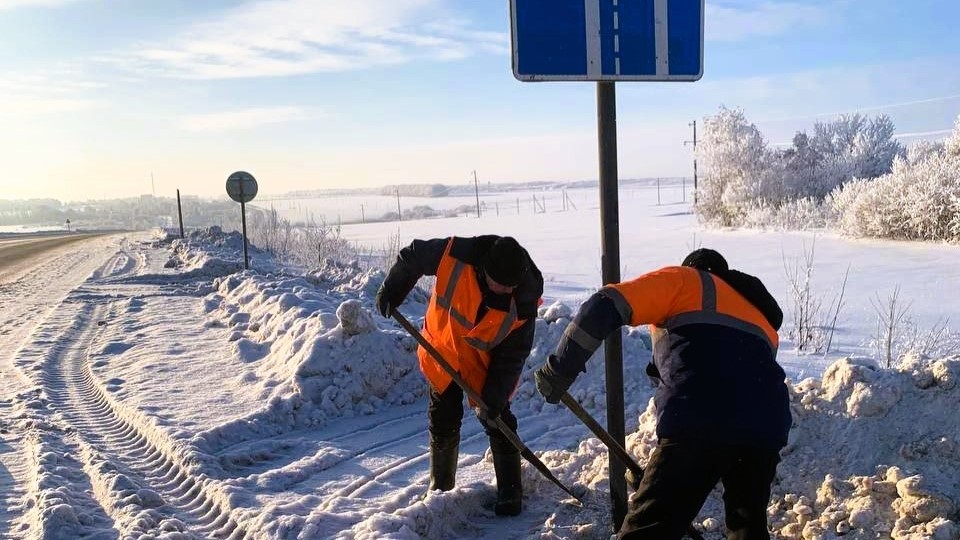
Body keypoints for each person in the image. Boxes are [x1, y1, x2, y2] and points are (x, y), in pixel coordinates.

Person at [534, 248, 791, 540]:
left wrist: (559, 368)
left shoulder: (685, 280)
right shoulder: (759, 317)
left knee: (647, 532)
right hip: (767, 425)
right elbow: (730, 384)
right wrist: (660, 473)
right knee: (747, 529)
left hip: (704, 415)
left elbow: (605, 304)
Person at [376, 235, 543, 516]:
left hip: (483, 362)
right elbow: (414, 255)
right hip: (442, 346)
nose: (504, 290)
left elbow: (513, 355)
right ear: (483, 269)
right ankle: (440, 487)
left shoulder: (523, 300)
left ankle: (511, 491)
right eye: (499, 284)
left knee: (497, 416)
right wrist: (393, 289)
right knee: (443, 415)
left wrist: (495, 394)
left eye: (509, 286)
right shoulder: (457, 253)